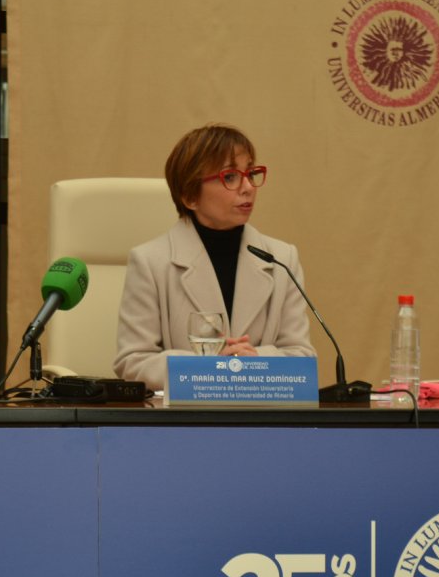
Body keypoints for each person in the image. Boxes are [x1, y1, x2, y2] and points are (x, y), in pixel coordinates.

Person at [113, 124, 314, 391]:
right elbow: (132, 362)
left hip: (260, 411)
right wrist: (208, 368)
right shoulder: (150, 262)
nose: (248, 187)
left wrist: (255, 361)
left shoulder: (281, 259)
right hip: (186, 415)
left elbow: (302, 357)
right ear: (190, 196)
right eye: (230, 176)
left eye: (251, 173)